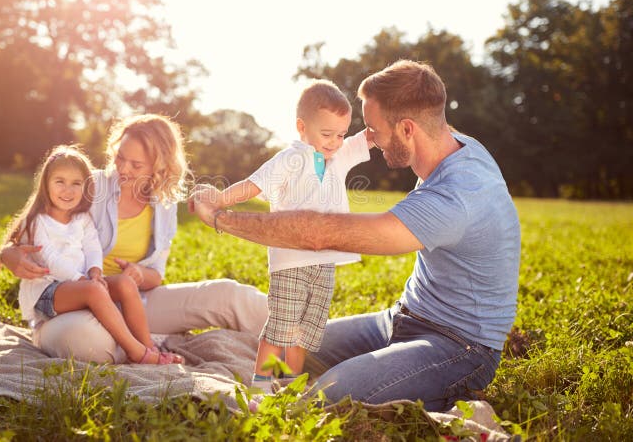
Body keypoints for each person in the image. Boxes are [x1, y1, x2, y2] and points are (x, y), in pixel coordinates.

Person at [190, 60, 521, 412]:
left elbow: (318, 235)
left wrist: (221, 217)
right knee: (296, 350)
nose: (369, 139)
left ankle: (442, 387)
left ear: (407, 130)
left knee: (329, 394)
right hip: (401, 318)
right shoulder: (450, 143)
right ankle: (279, 388)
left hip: (459, 347)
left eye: (374, 129)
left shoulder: (456, 196)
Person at [0, 115, 268, 365]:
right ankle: (144, 349)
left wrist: (139, 273)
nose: (123, 169)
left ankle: (302, 339)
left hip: (132, 302)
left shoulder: (164, 205)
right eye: (120, 158)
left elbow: (156, 276)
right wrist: (9, 254)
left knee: (228, 295)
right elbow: (34, 223)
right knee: (88, 342)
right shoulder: (88, 185)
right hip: (71, 311)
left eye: (136, 164)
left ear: (160, 167)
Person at [213, 80, 372, 392]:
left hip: (325, 261)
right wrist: (218, 201)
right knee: (281, 327)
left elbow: (369, 136)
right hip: (291, 261)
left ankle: (289, 384)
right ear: (302, 127)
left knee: (305, 332)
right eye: (327, 134)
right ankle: (260, 383)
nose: (335, 142)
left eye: (340, 134)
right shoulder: (290, 158)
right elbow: (254, 184)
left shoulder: (339, 155)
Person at [0, 144, 181, 364]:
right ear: (46, 184)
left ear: (86, 187)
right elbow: (50, 259)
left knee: (125, 284)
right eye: (60, 182)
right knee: (93, 290)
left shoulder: (81, 218)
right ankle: (137, 353)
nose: (68, 190)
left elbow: (93, 247)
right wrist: (82, 280)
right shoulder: (37, 221)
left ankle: (149, 346)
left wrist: (94, 272)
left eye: (76, 184)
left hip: (80, 285)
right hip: (46, 292)